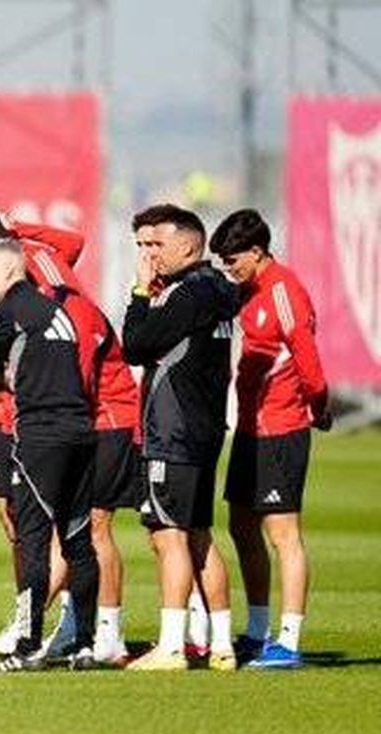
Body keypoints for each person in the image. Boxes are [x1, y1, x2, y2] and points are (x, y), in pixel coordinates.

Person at [0, 238, 99, 671]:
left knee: (33, 541)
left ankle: (27, 647)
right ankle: (84, 644)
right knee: (78, 541)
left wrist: (8, 376)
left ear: (9, 273)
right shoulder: (52, 309)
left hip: (40, 436)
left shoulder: (8, 310)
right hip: (81, 433)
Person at [210, 208, 330, 670]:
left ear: (257, 253)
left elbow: (311, 368)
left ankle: (290, 640)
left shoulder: (284, 292)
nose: (228, 268)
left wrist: (317, 410)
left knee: (284, 535)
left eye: (233, 260)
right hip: (248, 429)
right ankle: (258, 632)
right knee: (242, 527)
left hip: (281, 431)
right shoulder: (249, 290)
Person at [122, 204, 239, 671]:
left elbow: (135, 345)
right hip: (203, 428)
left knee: (168, 536)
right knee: (197, 537)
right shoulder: (217, 291)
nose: (149, 256)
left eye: (156, 245)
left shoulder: (187, 294)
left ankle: (171, 646)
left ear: (189, 245)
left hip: (173, 431)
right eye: (142, 247)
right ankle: (222, 645)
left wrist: (136, 292)